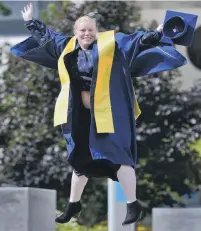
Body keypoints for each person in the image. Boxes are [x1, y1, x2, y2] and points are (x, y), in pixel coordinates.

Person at [10, 3, 187, 226]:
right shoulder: (66, 46)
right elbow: (47, 37)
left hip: (108, 115)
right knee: (78, 160)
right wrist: (30, 22)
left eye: (91, 30)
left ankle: (133, 204)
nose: (87, 33)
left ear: (97, 31)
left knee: (120, 158)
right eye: (82, 30)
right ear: (76, 32)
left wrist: (158, 33)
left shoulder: (110, 44)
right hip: (79, 116)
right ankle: (73, 205)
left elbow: (137, 40)